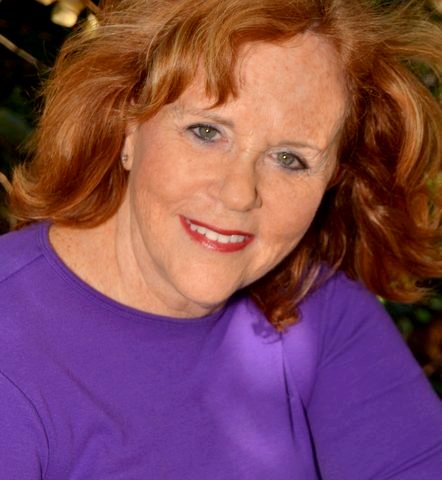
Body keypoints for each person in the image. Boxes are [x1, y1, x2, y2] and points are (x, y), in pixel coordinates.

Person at [1, 0, 441, 478]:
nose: (238, 193)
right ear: (127, 122)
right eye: (206, 131)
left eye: (290, 159)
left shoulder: (314, 303)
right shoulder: (14, 346)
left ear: (334, 178)